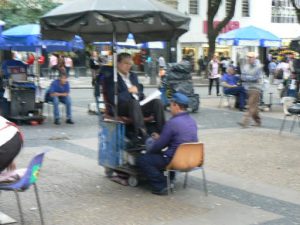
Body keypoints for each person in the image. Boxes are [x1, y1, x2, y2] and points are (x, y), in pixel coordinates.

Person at [137, 93, 198, 195]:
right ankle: (170, 178)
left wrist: (149, 151)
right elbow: (180, 139)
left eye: (171, 105)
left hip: (176, 160)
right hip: (192, 159)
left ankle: (161, 185)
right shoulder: (192, 121)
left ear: (176, 106)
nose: (169, 108)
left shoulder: (172, 123)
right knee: (170, 152)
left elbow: (159, 146)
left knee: (143, 160)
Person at [105, 53, 165, 143]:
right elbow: (113, 98)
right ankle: (143, 134)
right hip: (121, 106)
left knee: (157, 102)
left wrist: (142, 96)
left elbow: (138, 92)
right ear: (118, 63)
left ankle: (162, 132)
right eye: (126, 63)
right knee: (133, 103)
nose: (128, 66)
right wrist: (128, 91)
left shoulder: (133, 76)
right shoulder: (112, 78)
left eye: (130, 63)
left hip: (137, 104)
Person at [238, 52, 263, 128]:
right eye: (248, 57)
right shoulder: (245, 66)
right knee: (254, 106)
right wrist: (249, 77)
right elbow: (242, 77)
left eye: (251, 57)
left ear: (255, 58)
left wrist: (247, 78)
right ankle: (258, 121)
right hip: (248, 88)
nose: (249, 59)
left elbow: (256, 78)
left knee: (250, 104)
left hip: (256, 88)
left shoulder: (258, 67)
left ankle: (244, 122)